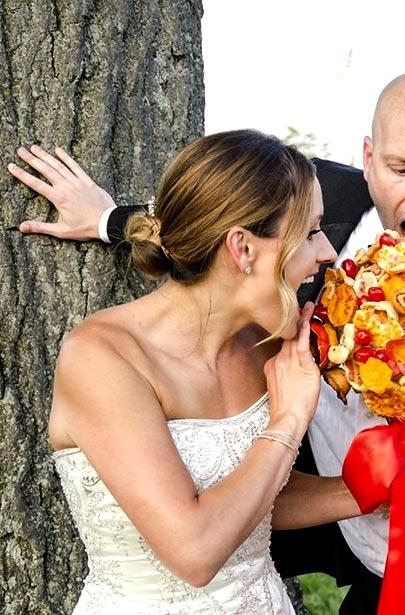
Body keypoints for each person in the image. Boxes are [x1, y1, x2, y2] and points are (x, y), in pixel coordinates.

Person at [10, 67, 405, 615]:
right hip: (351, 579)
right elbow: (213, 219)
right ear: (367, 155)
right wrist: (107, 218)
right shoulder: (303, 210)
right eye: (400, 168)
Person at [11, 129, 368, 613]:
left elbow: (253, 501)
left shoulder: (263, 349)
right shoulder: (101, 359)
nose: (326, 252)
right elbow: (195, 552)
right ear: (242, 249)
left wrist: (368, 491)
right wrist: (288, 422)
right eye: (309, 233)